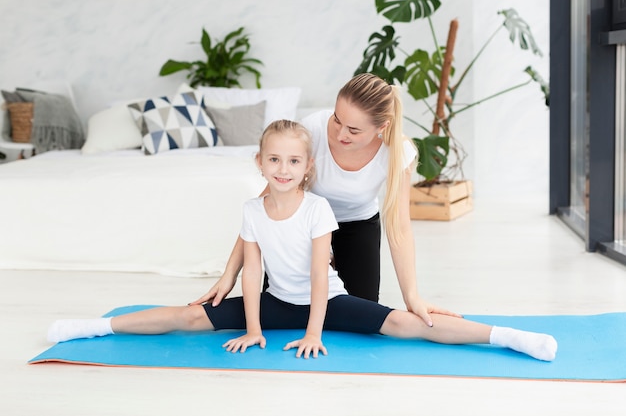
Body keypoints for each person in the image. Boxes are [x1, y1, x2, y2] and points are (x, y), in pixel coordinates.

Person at [47, 120, 558, 362]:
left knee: (406, 324)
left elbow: (319, 278)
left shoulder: (319, 208)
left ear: (307, 167)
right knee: (185, 315)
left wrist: (315, 333)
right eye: (274, 161)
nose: (283, 169)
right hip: (273, 303)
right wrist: (251, 326)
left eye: (293, 161)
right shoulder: (252, 209)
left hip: (324, 303)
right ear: (260, 164)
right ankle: (92, 326)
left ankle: (505, 336)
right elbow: (252, 274)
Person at [193, 73, 454, 327]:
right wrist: (230, 274)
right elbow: (264, 205)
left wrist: (412, 296)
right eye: (337, 119)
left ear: (381, 127)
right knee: (277, 308)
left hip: (357, 225)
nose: (340, 133)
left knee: (356, 317)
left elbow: (400, 228)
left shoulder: (397, 152)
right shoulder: (314, 129)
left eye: (353, 129)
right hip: (302, 223)